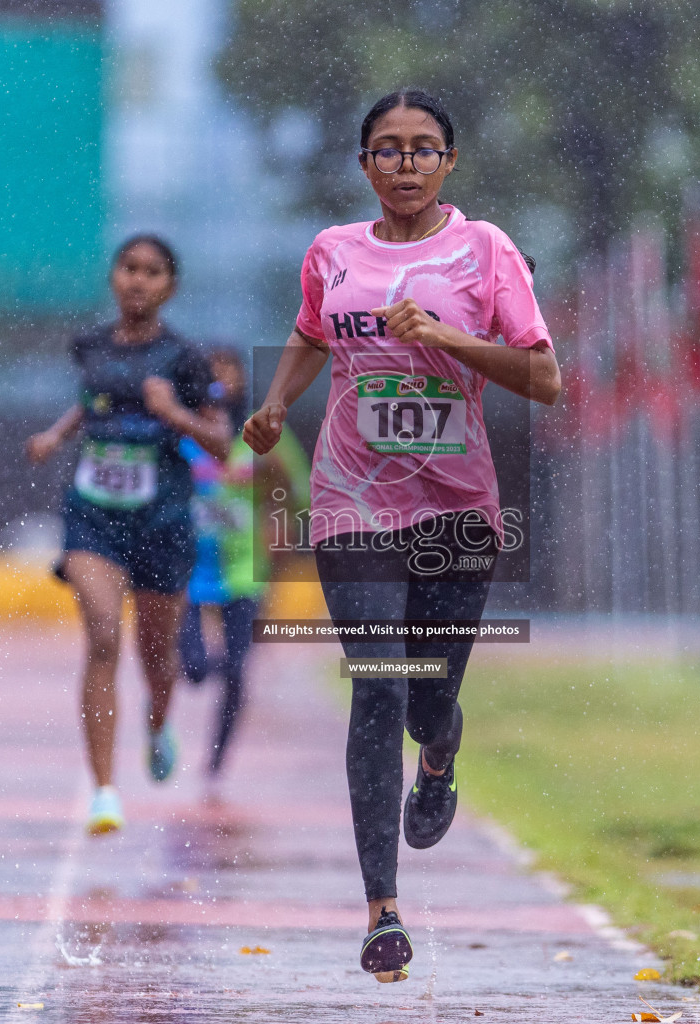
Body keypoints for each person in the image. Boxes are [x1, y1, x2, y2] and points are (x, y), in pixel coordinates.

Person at [242, 89, 561, 983]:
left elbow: (545, 379)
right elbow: (310, 333)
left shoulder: (486, 250)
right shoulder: (333, 254)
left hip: (457, 512)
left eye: (424, 149)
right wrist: (275, 405)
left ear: (448, 163)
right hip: (353, 506)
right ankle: (382, 910)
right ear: (365, 165)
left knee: (426, 704)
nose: (407, 163)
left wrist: (449, 337)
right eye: (389, 149)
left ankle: (443, 752)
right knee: (379, 686)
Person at [26, 234, 232, 837]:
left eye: (152, 272)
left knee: (156, 656)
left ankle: (158, 721)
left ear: (170, 286)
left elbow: (222, 443)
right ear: (114, 276)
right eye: (128, 268)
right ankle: (105, 791)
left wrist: (177, 417)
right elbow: (95, 405)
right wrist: (55, 436)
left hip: (163, 520)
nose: (137, 280)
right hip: (93, 515)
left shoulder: (186, 359)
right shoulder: (87, 345)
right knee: (104, 636)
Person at [178, 347, 308, 781]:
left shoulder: (262, 432)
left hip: (244, 570)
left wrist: (279, 514)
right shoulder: (180, 430)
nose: (221, 383)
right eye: (211, 374)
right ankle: (167, 673)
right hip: (187, 569)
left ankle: (217, 757)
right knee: (195, 669)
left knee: (235, 671)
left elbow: (296, 495)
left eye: (228, 374)